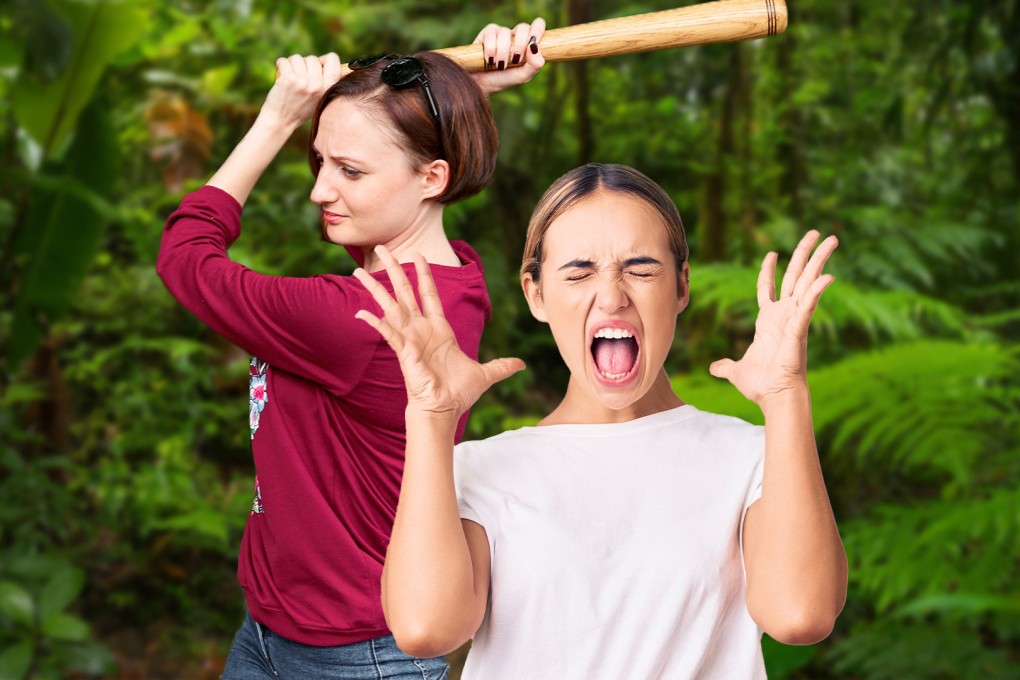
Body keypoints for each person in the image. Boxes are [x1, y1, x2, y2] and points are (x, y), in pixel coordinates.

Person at [156, 19, 547, 680]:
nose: (319, 190)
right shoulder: (453, 279)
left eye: (350, 170)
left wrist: (277, 120)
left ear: (433, 177)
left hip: (358, 656)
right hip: (275, 630)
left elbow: (185, 257)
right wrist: (457, 97)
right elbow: (408, 181)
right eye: (319, 160)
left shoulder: (353, 319)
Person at [357, 163, 849, 678]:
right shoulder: (478, 468)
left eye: (642, 270)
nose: (612, 297)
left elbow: (800, 615)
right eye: (578, 273)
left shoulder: (752, 457)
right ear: (535, 294)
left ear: (682, 286)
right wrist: (431, 417)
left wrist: (785, 396)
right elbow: (425, 629)